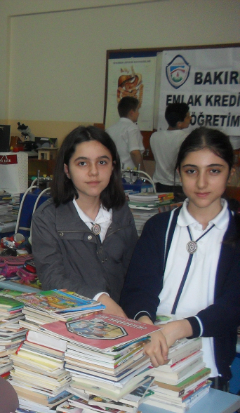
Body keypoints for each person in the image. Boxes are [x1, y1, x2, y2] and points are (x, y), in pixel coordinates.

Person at [120, 127, 240, 388]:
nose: (201, 183)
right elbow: (138, 287)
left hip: (206, 366)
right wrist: (145, 324)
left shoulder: (236, 234)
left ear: (231, 172)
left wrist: (179, 328)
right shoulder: (158, 227)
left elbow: (232, 307)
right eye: (191, 171)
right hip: (148, 355)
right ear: (179, 172)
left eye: (214, 170)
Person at [31, 125, 138, 316]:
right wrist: (99, 298)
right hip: (74, 320)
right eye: (82, 163)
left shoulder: (121, 212)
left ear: (113, 166)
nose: (93, 172)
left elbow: (134, 270)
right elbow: (51, 278)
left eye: (102, 162)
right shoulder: (47, 217)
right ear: (67, 170)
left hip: (123, 319)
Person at [150, 102, 191, 196]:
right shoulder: (187, 138)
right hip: (179, 187)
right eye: (188, 116)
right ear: (179, 124)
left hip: (159, 186)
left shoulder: (155, 136)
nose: (190, 118)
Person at [106, 97, 144, 171]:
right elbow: (134, 152)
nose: (138, 113)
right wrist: (143, 173)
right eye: (137, 110)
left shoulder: (109, 130)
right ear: (132, 112)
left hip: (113, 171)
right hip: (128, 174)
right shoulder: (132, 128)